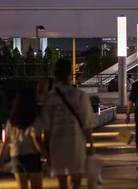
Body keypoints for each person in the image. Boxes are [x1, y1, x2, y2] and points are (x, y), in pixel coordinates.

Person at [41, 59, 95, 189]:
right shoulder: (80, 96)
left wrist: (45, 150)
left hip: (57, 142)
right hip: (76, 141)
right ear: (71, 74)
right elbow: (87, 122)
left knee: (62, 181)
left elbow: (46, 127)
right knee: (76, 180)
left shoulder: (50, 97)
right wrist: (91, 143)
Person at [0, 87, 43, 189]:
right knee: (36, 186)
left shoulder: (12, 120)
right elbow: (35, 139)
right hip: (32, 155)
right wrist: (45, 154)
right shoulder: (34, 118)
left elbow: (6, 141)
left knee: (21, 187)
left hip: (16, 155)